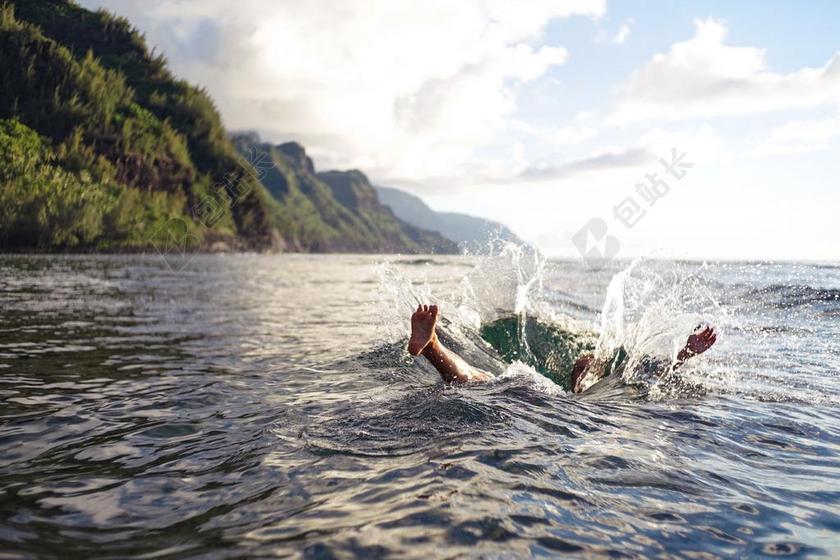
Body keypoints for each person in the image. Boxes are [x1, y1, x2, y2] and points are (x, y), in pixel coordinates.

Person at [407, 304, 717, 393]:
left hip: (533, 396)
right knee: (480, 380)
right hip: (537, 395)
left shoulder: (601, 391)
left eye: (586, 367)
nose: (582, 365)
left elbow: (645, 374)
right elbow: (647, 376)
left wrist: (685, 353)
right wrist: (685, 354)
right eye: (581, 365)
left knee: (480, 381)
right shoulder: (564, 393)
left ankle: (433, 345)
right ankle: (432, 345)